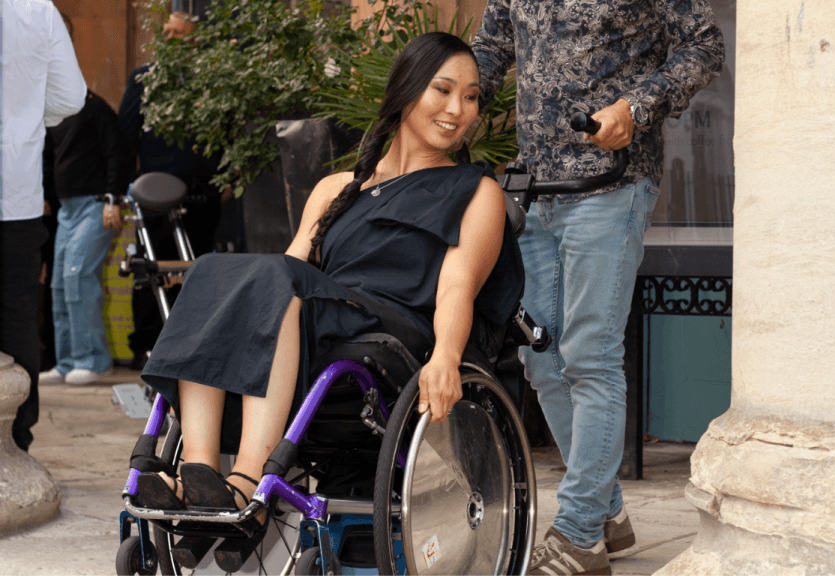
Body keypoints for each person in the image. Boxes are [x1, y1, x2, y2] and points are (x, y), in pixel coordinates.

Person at [133, 32, 522, 522]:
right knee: (212, 270)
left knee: (280, 283)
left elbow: (457, 285)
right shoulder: (337, 188)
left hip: (397, 332)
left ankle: (247, 483)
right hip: (320, 318)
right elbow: (287, 270)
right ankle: (199, 474)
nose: (457, 109)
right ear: (405, 90)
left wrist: (445, 355)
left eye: (470, 97)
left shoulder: (476, 191)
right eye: (442, 90)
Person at [472, 2, 725, 574]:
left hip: (611, 184)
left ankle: (579, 532)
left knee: (589, 355)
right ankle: (607, 513)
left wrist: (636, 105)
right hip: (534, 188)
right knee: (541, 359)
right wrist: (444, 103)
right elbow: (490, 49)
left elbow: (704, 44)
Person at [1, 0, 87, 451]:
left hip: (19, 193)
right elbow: (70, 97)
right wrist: (29, 116)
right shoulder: (37, 10)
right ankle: (15, 439)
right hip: (15, 194)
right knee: (17, 314)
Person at [117, 11, 222, 370]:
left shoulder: (211, 80)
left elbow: (225, 132)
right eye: (167, 32)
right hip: (154, 193)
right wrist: (123, 191)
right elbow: (125, 136)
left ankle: (191, 347)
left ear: (195, 40)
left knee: (198, 272)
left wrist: (226, 178)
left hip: (203, 193)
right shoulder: (144, 79)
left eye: (179, 33)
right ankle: (146, 347)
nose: (170, 38)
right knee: (150, 270)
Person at [37, 89, 129, 386]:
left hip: (96, 205)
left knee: (78, 277)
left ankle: (93, 361)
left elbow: (117, 153)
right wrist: (44, 194)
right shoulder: (53, 113)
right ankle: (67, 362)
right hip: (66, 209)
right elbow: (48, 156)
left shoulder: (96, 108)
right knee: (58, 284)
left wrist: (113, 198)